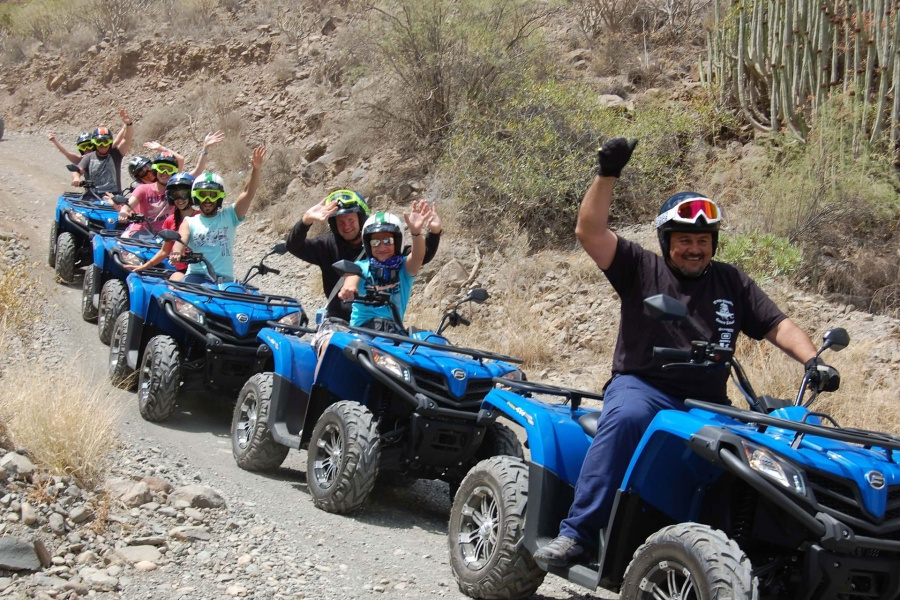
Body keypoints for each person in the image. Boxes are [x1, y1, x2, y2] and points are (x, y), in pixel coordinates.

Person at [532, 137, 840, 569]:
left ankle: (756, 557)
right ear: (666, 241)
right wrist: (607, 173)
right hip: (644, 387)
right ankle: (576, 534)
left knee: (765, 452)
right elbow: (590, 231)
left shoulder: (731, 281)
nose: (695, 249)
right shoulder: (640, 267)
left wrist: (814, 360)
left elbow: (777, 324)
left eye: (703, 240)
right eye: (684, 240)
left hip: (709, 402)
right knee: (627, 420)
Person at [285, 191, 442, 321]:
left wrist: (433, 233)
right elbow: (294, 246)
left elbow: (420, 257)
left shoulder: (384, 249)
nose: (346, 226)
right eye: (340, 222)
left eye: (351, 220)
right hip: (339, 321)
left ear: (360, 219)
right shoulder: (327, 245)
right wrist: (306, 220)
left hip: (384, 326)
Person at [171, 145, 267, 284]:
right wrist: (177, 251)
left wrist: (256, 169)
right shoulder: (189, 222)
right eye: (203, 195)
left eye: (213, 195)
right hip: (196, 277)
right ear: (196, 197)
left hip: (224, 281)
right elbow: (181, 238)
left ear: (220, 197)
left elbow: (248, 194)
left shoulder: (230, 217)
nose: (208, 200)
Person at [118, 132, 224, 237]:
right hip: (143, 233)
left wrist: (205, 149)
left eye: (169, 170)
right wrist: (124, 211)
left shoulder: (177, 188)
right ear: (155, 170)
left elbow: (196, 171)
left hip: (168, 234)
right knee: (133, 253)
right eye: (161, 169)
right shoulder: (143, 189)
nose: (165, 173)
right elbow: (129, 205)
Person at [337, 209, 428, 330]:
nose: (382, 246)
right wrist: (349, 289)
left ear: (397, 242)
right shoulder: (361, 266)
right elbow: (352, 277)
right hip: (361, 331)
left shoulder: (404, 267)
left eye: (387, 241)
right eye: (375, 242)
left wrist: (416, 233)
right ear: (368, 245)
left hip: (394, 333)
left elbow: (418, 256)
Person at [126, 173, 197, 281]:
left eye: (184, 194)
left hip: (203, 268)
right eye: (175, 194)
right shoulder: (170, 221)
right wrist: (145, 266)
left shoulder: (201, 218)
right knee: (172, 287)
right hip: (183, 270)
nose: (179, 199)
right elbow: (165, 251)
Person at [70, 109, 136, 194]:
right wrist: (76, 178)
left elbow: (127, 139)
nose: (102, 145)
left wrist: (128, 124)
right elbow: (78, 170)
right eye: (99, 142)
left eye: (105, 142)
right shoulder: (88, 157)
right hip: (93, 198)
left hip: (114, 199)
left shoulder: (116, 154)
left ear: (110, 142)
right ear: (94, 143)